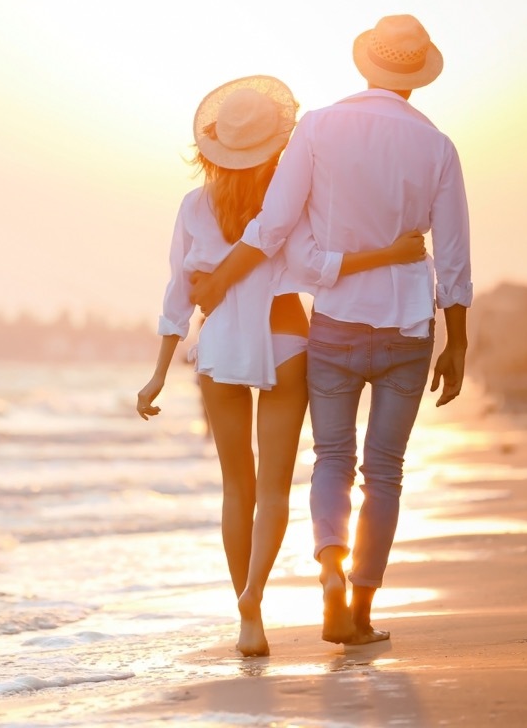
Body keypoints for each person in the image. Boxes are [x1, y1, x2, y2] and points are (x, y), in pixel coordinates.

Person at [190, 15, 473, 646]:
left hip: (337, 324)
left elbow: (272, 227)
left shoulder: (318, 127)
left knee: (333, 459)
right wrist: (458, 340)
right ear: (416, 77)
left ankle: (329, 573)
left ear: (364, 65)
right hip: (407, 325)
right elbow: (452, 254)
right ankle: (362, 609)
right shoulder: (438, 148)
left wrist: (216, 283)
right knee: (386, 471)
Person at [136, 75, 426, 657]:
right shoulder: (294, 202)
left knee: (235, 487)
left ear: (212, 147)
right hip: (288, 338)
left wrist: (159, 371)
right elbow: (320, 266)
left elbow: (177, 293)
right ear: (279, 144)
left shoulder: (194, 207)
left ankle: (251, 620)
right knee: (274, 489)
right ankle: (254, 589)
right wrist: (393, 253)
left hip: (218, 349)